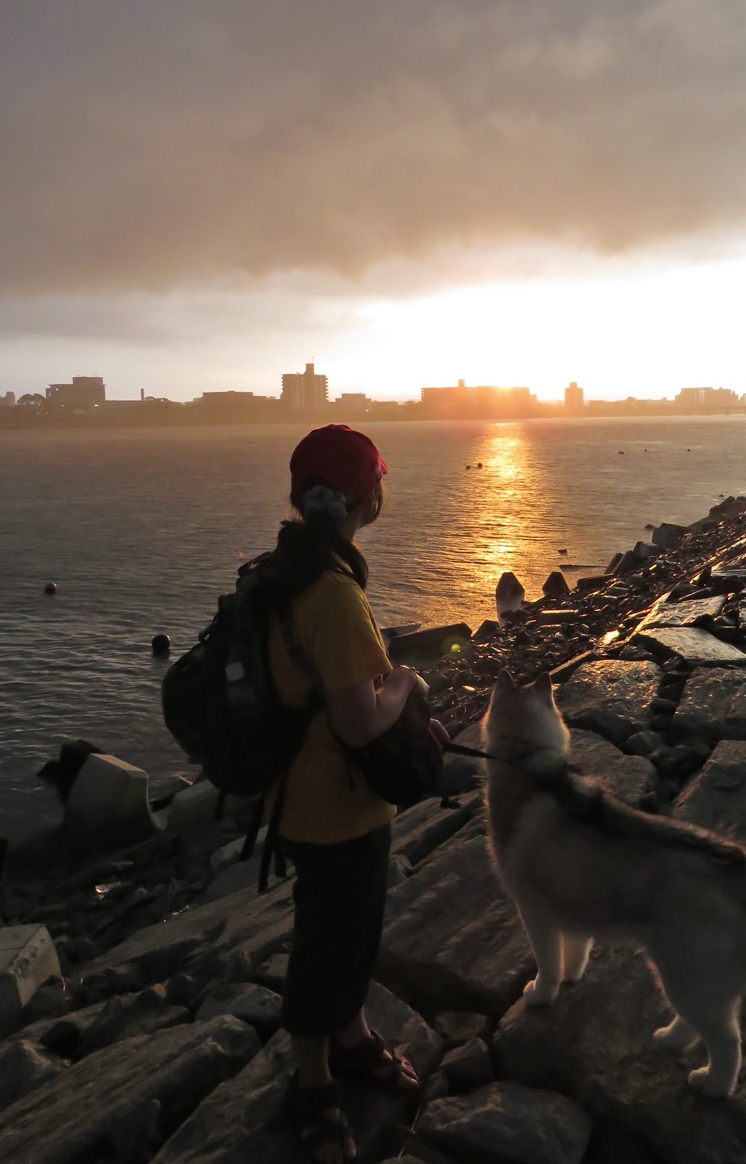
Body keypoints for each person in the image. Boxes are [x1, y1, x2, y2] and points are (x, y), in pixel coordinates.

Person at [256, 424, 446, 1164]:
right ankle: (311, 1085)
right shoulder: (332, 593)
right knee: (328, 947)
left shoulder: (281, 573)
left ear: (299, 498)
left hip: (297, 798)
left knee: (347, 934)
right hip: (336, 806)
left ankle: (352, 1035)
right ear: (368, 496)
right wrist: (404, 679)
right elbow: (360, 722)